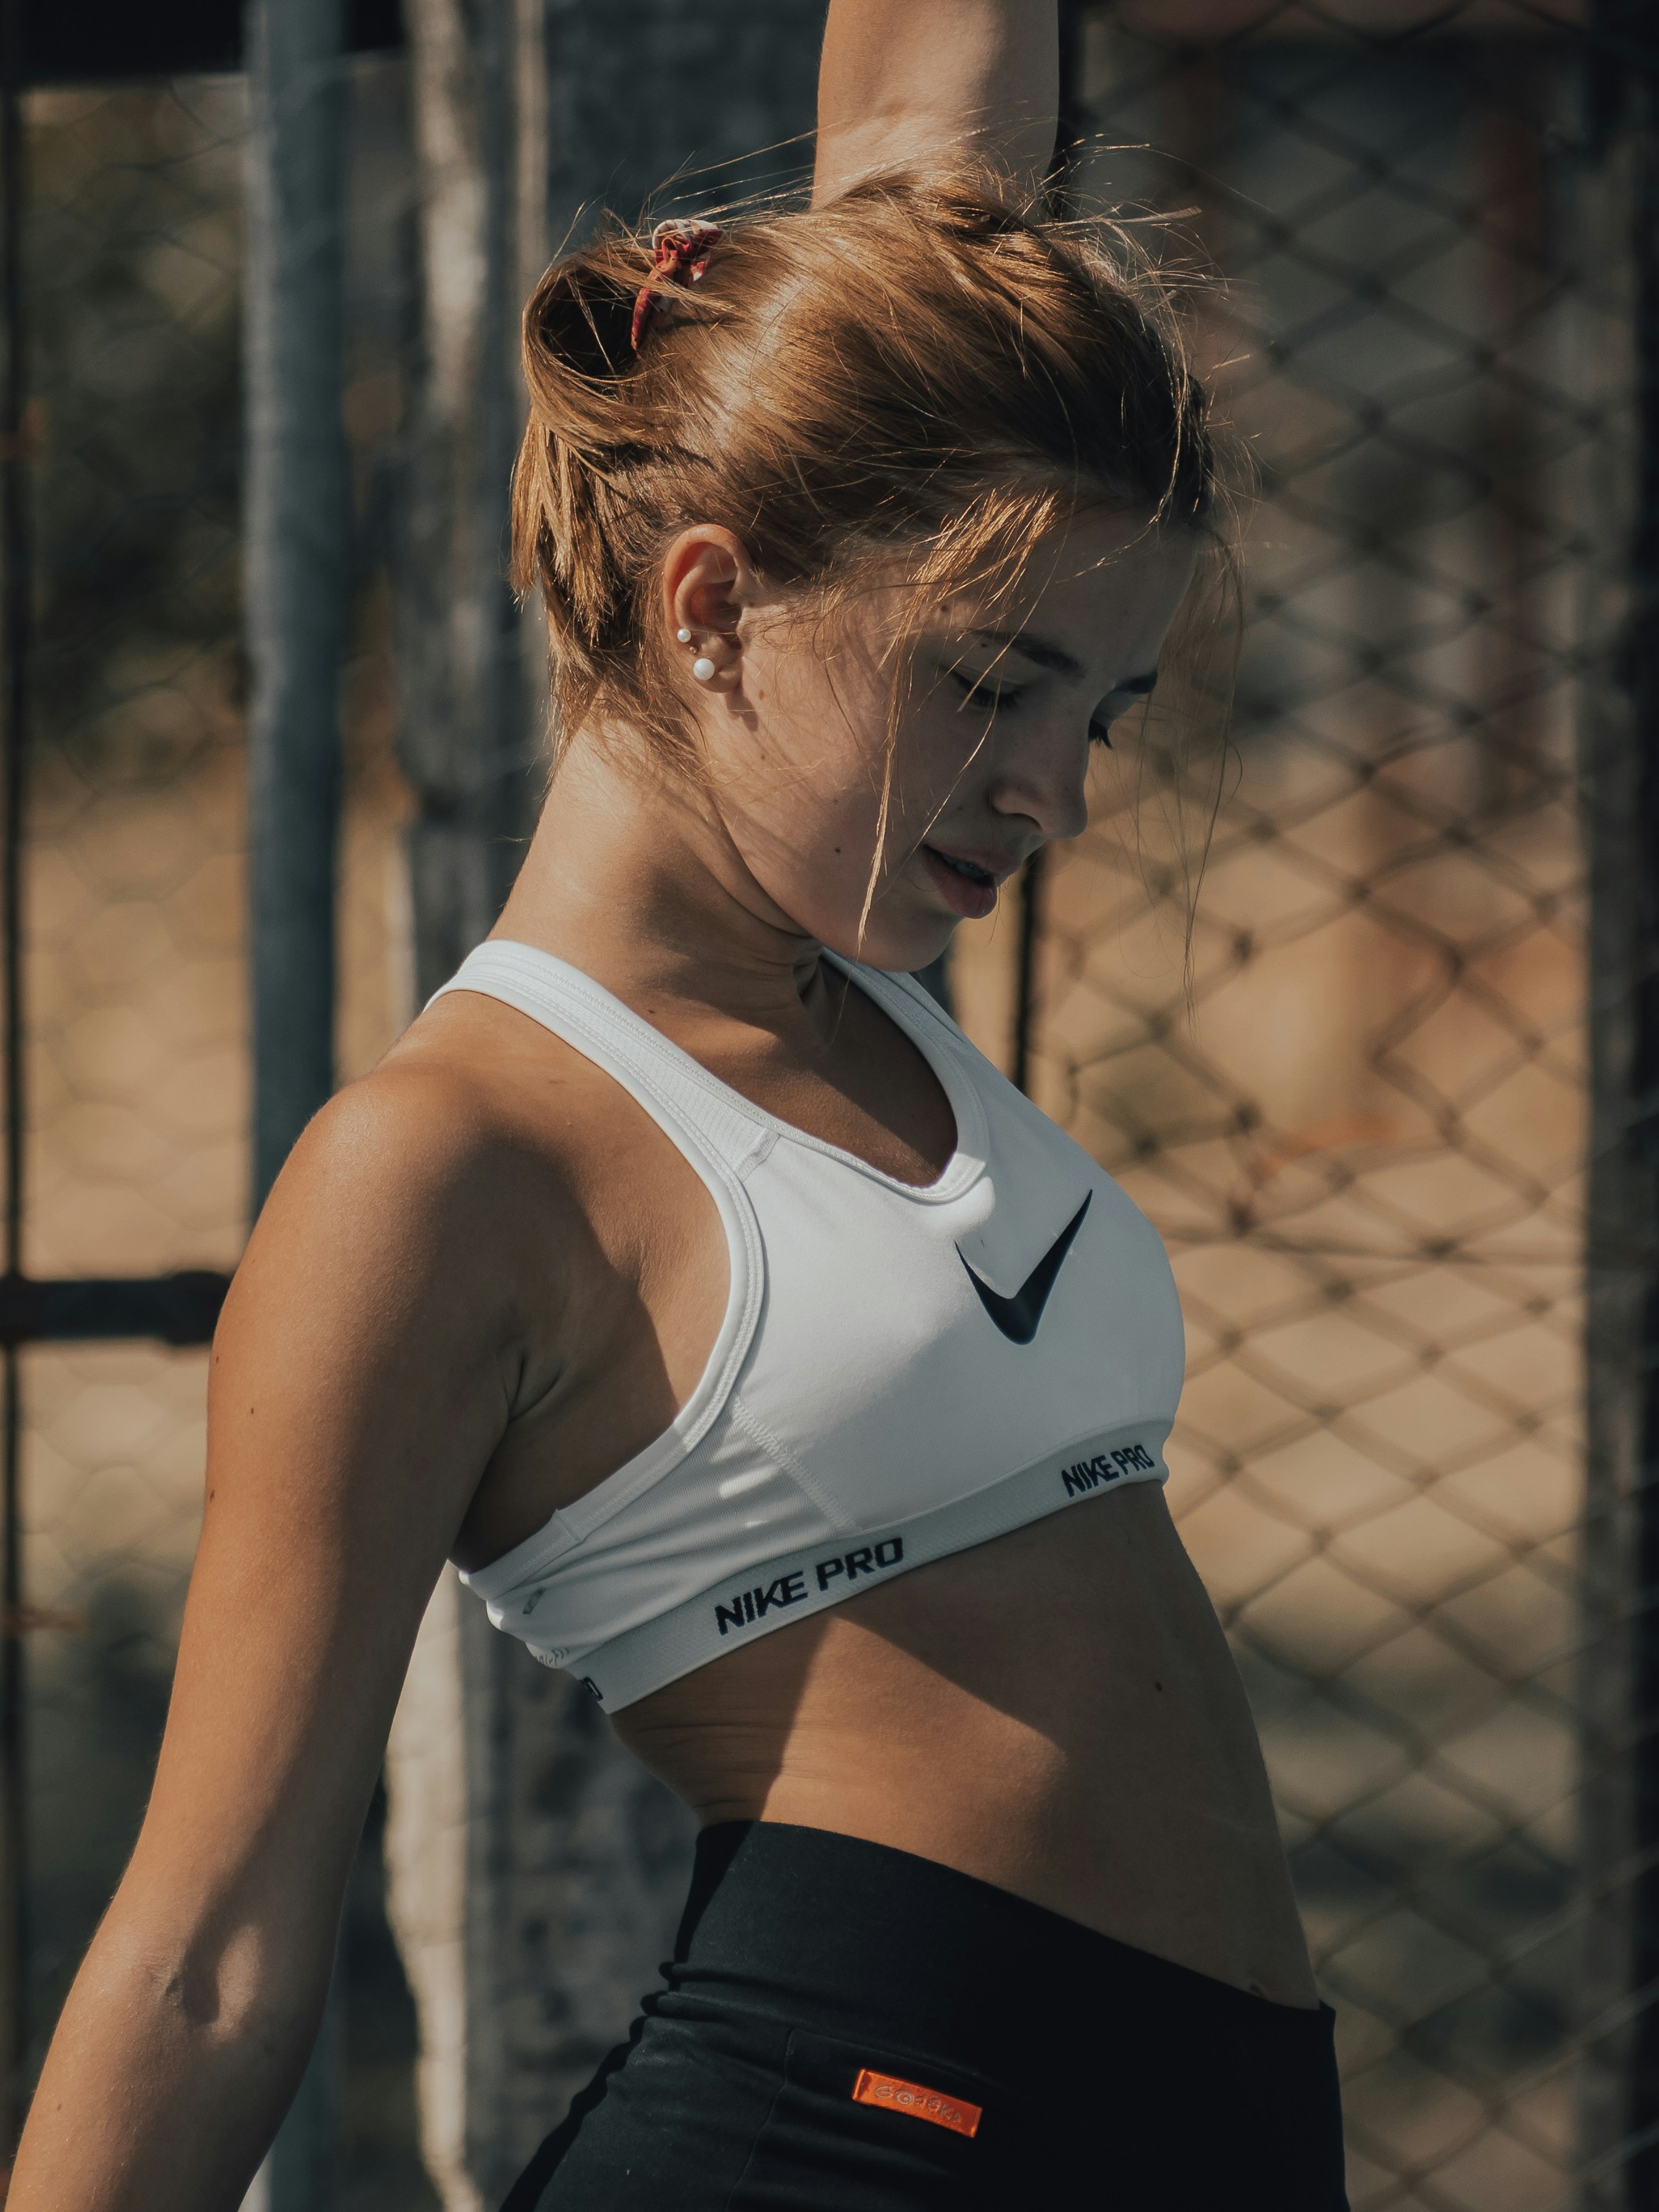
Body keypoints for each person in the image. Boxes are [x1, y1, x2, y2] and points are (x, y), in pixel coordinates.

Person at [10, 4, 1348, 2205]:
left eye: (1099, 716)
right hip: (845, 2149)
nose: (1053, 790)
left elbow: (931, 117)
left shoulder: (852, 975)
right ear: (713, 602)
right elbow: (211, 1960)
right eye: (995, 687)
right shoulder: (446, 1168)